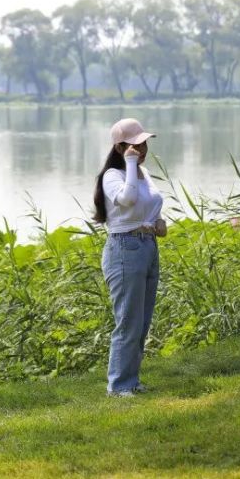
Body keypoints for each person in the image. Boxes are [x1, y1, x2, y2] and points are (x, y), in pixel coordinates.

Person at [93, 118, 167, 397]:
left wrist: (156, 222)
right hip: (124, 249)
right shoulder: (112, 176)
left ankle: (132, 381)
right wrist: (132, 164)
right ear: (121, 146)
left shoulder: (142, 173)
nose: (142, 148)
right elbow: (128, 201)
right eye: (136, 144)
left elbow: (148, 204)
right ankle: (119, 385)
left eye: (144, 142)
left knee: (142, 320)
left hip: (147, 247)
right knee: (128, 321)